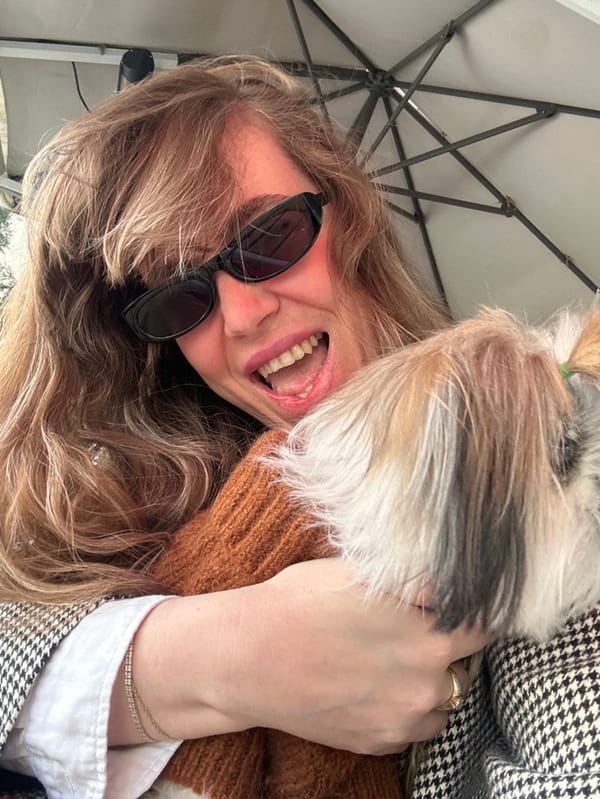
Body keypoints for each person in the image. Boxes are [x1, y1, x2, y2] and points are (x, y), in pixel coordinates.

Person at [0, 56, 596, 799]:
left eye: (268, 235)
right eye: (180, 297)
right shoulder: (142, 489)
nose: (245, 315)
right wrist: (217, 656)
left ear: (342, 212)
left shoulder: (531, 424)